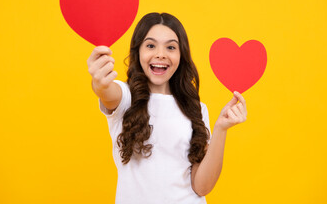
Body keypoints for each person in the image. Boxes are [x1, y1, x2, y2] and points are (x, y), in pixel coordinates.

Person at [87, 12, 247, 204]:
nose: (161, 54)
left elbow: (202, 187)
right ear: (138, 52)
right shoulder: (126, 96)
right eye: (151, 45)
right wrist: (99, 81)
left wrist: (221, 128)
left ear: (181, 55)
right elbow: (106, 91)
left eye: (171, 47)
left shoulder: (196, 109)